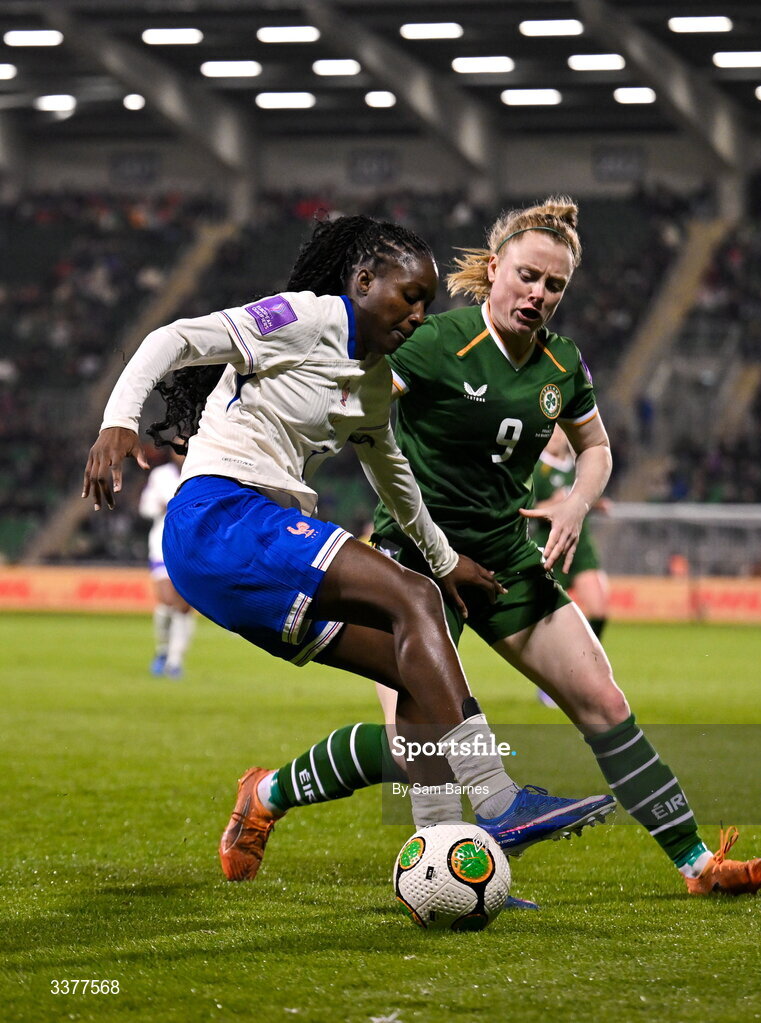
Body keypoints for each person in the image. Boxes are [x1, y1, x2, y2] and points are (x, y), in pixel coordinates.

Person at [253, 198, 761, 897]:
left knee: (602, 697)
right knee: (420, 750)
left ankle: (696, 862)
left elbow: (596, 447)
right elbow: (352, 407)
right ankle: (270, 795)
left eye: (554, 285)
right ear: (494, 267)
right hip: (417, 564)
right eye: (528, 276)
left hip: (504, 560)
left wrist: (575, 499)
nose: (538, 295)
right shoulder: (434, 343)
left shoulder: (560, 363)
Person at [82, 214, 614, 882]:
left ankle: (443, 861)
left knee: (411, 663)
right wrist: (118, 422)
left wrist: (447, 562)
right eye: (406, 296)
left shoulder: (368, 377)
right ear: (362, 281)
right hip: (221, 517)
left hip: (248, 553)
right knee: (412, 596)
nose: (417, 314)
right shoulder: (304, 317)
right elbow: (175, 338)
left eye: (425, 302)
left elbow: (392, 475)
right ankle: (500, 798)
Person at [531, 424, 610, 706]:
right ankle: (550, 684)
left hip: (581, 548)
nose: (556, 437)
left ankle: (588, 670)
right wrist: (553, 503)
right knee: (551, 626)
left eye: (559, 432)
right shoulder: (536, 468)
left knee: (599, 609)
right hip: (551, 549)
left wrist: (593, 503)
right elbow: (528, 508)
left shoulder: (578, 465)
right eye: (550, 432)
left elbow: (584, 495)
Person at [138, 445, 195, 679]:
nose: (181, 453)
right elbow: (145, 507)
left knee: (183, 606)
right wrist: (159, 506)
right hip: (162, 545)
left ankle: (175, 660)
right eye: (178, 449)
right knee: (166, 603)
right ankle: (163, 650)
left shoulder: (203, 475)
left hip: (192, 547)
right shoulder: (160, 475)